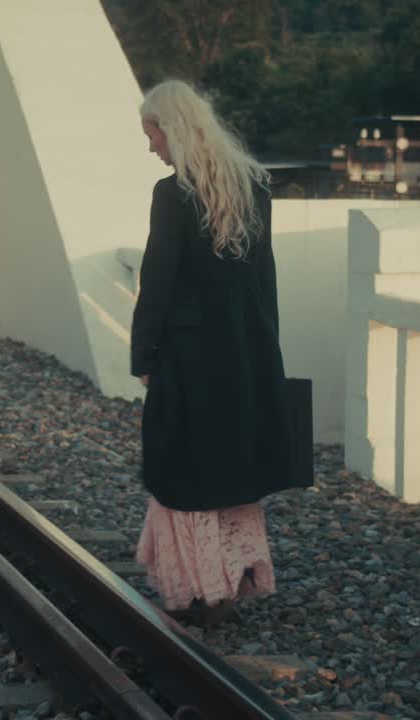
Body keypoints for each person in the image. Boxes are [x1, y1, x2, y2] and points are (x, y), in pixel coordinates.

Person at [131, 80, 301, 626]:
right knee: (231, 464)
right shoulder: (254, 187)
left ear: (171, 128)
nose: (151, 146)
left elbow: (157, 282)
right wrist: (266, 352)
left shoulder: (172, 193)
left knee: (181, 467)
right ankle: (234, 575)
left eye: (151, 133)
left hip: (189, 356)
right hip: (245, 349)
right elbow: (266, 280)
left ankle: (196, 591)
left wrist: (145, 356)